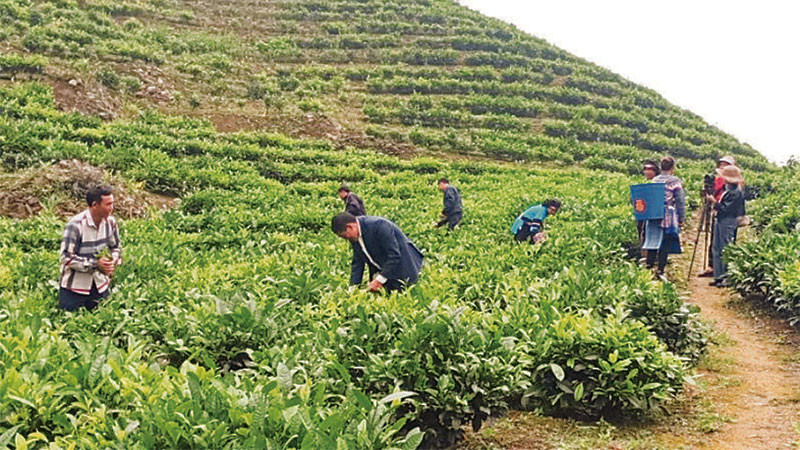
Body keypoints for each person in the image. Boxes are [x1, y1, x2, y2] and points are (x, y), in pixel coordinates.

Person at [58, 185, 122, 311]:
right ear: (94, 205)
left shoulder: (111, 223)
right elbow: (66, 257)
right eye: (108, 204)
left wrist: (112, 260)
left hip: (100, 285)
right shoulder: (75, 225)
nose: (112, 208)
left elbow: (115, 247)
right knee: (71, 324)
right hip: (75, 288)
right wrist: (95, 264)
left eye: (112, 203)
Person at [332, 212, 424, 293]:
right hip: (385, 269)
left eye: (344, 236)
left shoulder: (378, 225)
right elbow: (358, 262)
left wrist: (379, 280)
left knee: (404, 296)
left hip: (404, 266)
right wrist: (353, 288)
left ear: (350, 227)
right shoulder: (354, 236)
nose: (346, 239)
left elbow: (394, 255)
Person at [643, 156, 686, 279]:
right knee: (665, 242)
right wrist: (681, 218)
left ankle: (649, 266)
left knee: (652, 240)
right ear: (672, 168)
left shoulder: (655, 180)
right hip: (668, 215)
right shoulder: (675, 181)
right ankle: (660, 269)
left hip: (653, 214)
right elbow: (680, 201)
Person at [698, 155, 737, 277]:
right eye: (721, 164)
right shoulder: (719, 180)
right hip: (718, 213)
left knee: (725, 244)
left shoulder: (734, 185)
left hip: (726, 215)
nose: (723, 166)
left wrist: (713, 201)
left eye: (726, 164)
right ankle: (713, 267)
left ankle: (724, 271)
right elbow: (713, 191)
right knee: (715, 241)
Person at [711, 165, 746, 287]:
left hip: (728, 221)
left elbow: (726, 209)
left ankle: (726, 277)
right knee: (717, 248)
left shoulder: (735, 192)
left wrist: (713, 202)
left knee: (726, 249)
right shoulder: (728, 189)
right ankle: (718, 276)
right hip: (721, 219)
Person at [637, 161, 659, 258]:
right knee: (642, 232)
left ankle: (653, 255)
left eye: (650, 169)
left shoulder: (658, 183)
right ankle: (643, 254)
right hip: (642, 211)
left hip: (654, 213)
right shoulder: (641, 182)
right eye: (646, 169)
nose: (648, 171)